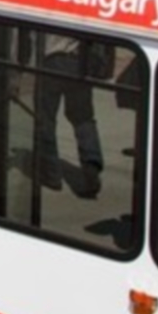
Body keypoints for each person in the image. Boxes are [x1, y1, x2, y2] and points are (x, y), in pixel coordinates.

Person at [35, 44, 105, 199]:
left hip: (52, 61)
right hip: (78, 60)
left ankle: (51, 174)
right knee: (83, 117)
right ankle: (91, 163)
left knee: (45, 118)